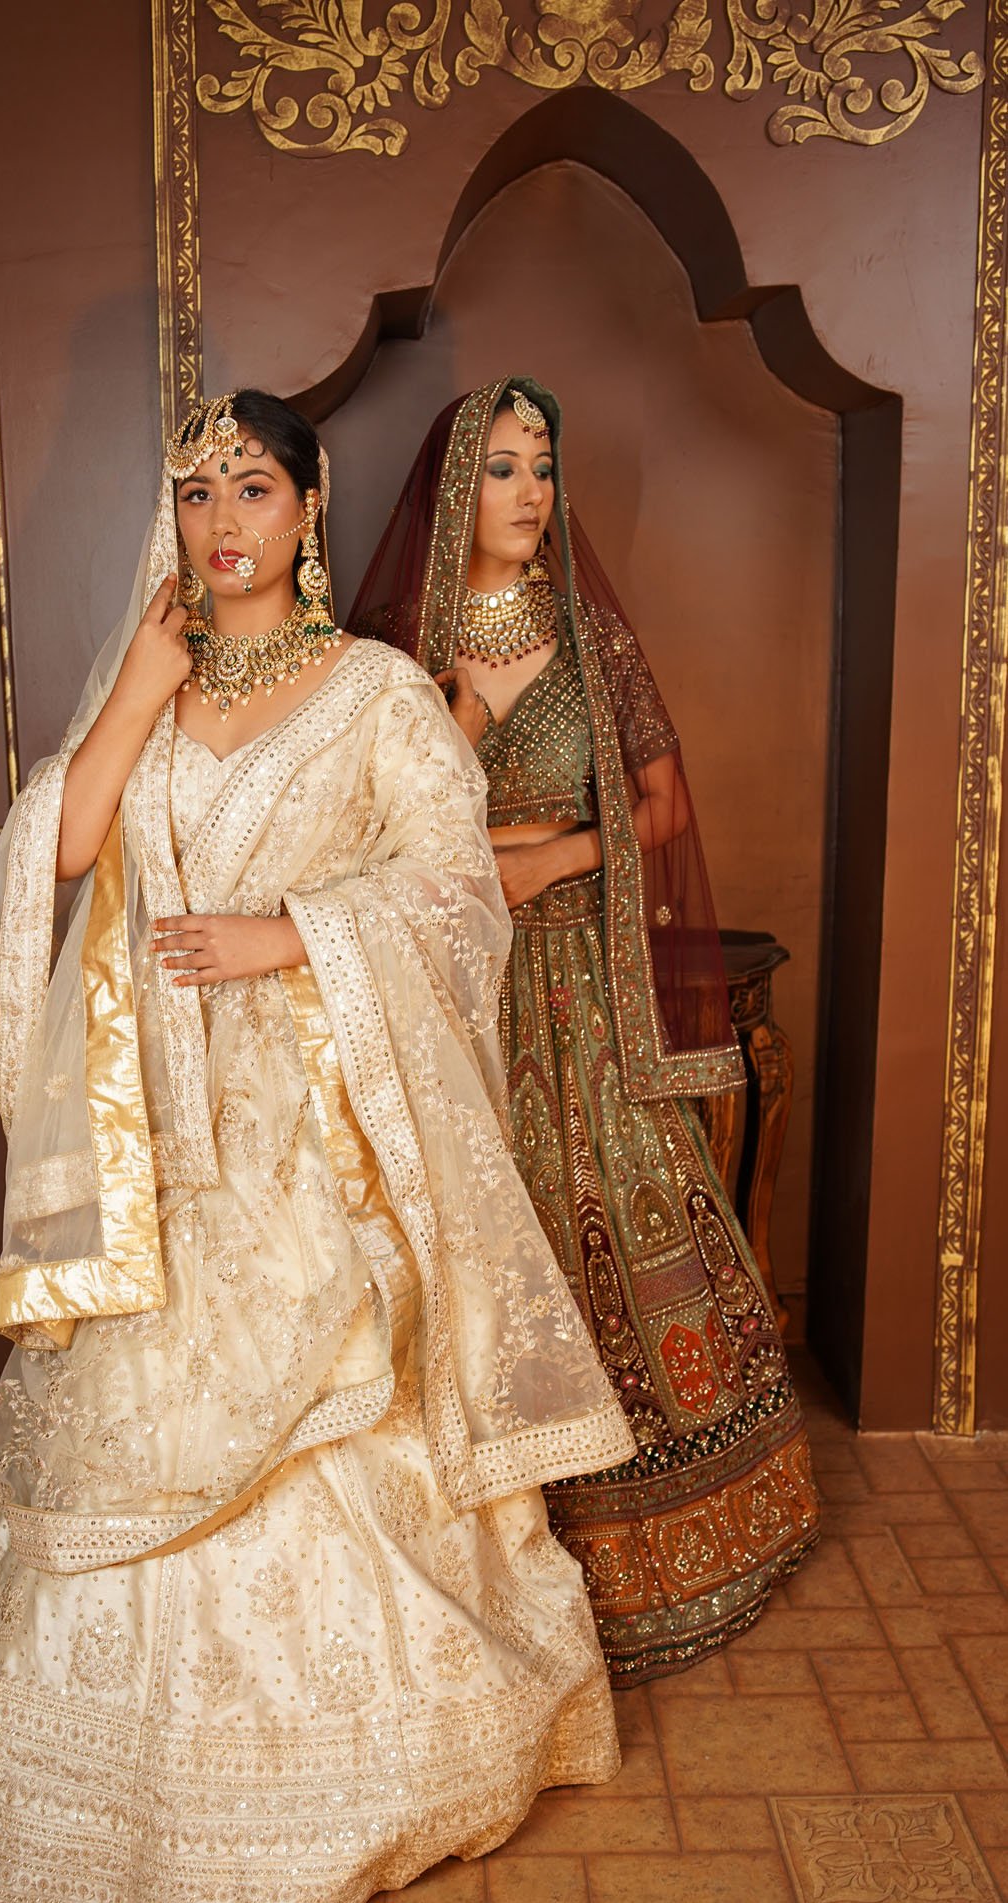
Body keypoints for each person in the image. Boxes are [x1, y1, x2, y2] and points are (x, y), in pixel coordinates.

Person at [0, 389, 636, 1903]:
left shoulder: (374, 693)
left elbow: (453, 891)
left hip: (311, 1124)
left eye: (252, 489)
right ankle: (94, 1784)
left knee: (322, 1396)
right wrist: (136, 690)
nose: (222, 521)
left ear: (308, 507)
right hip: (152, 1125)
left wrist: (289, 935)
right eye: (197, 491)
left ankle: (361, 1763)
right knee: (122, 1408)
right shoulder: (150, 678)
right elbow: (57, 855)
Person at [351, 377, 820, 1686]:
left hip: (575, 975)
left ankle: (667, 1537)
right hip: (446, 973)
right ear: (455, 489)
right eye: (504, 468)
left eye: (544, 466)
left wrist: (546, 861)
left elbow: (663, 807)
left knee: (606, 1203)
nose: (531, 492)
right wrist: (464, 744)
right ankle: (471, 1562)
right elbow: (358, 821)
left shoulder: (591, 635)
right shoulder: (390, 648)